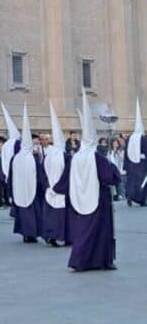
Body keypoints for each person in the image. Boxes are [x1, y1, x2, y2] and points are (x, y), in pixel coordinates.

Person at [53, 90, 120, 271]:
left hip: (79, 202)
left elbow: (64, 181)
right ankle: (99, 260)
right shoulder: (97, 158)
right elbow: (110, 177)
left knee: (83, 231)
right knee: (101, 232)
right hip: (99, 201)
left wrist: (61, 190)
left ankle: (82, 261)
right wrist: (112, 165)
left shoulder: (75, 157)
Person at [8, 104, 47, 244]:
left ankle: (25, 233)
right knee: (32, 212)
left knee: (23, 212)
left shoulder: (15, 157)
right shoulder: (33, 158)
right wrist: (44, 186)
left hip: (19, 189)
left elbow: (11, 177)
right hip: (33, 190)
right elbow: (39, 175)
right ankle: (31, 233)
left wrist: (10, 192)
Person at [43, 101, 69, 247]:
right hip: (61, 190)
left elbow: (42, 173)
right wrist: (60, 187)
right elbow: (67, 174)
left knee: (50, 214)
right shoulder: (65, 156)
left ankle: (50, 235)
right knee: (61, 216)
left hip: (50, 189)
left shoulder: (48, 155)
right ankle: (61, 236)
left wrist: (48, 186)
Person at [124, 99, 147, 207]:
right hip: (142, 164)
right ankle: (141, 200)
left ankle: (129, 196)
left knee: (131, 181)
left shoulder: (129, 138)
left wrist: (125, 165)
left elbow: (125, 152)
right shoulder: (143, 139)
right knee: (142, 182)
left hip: (131, 164)